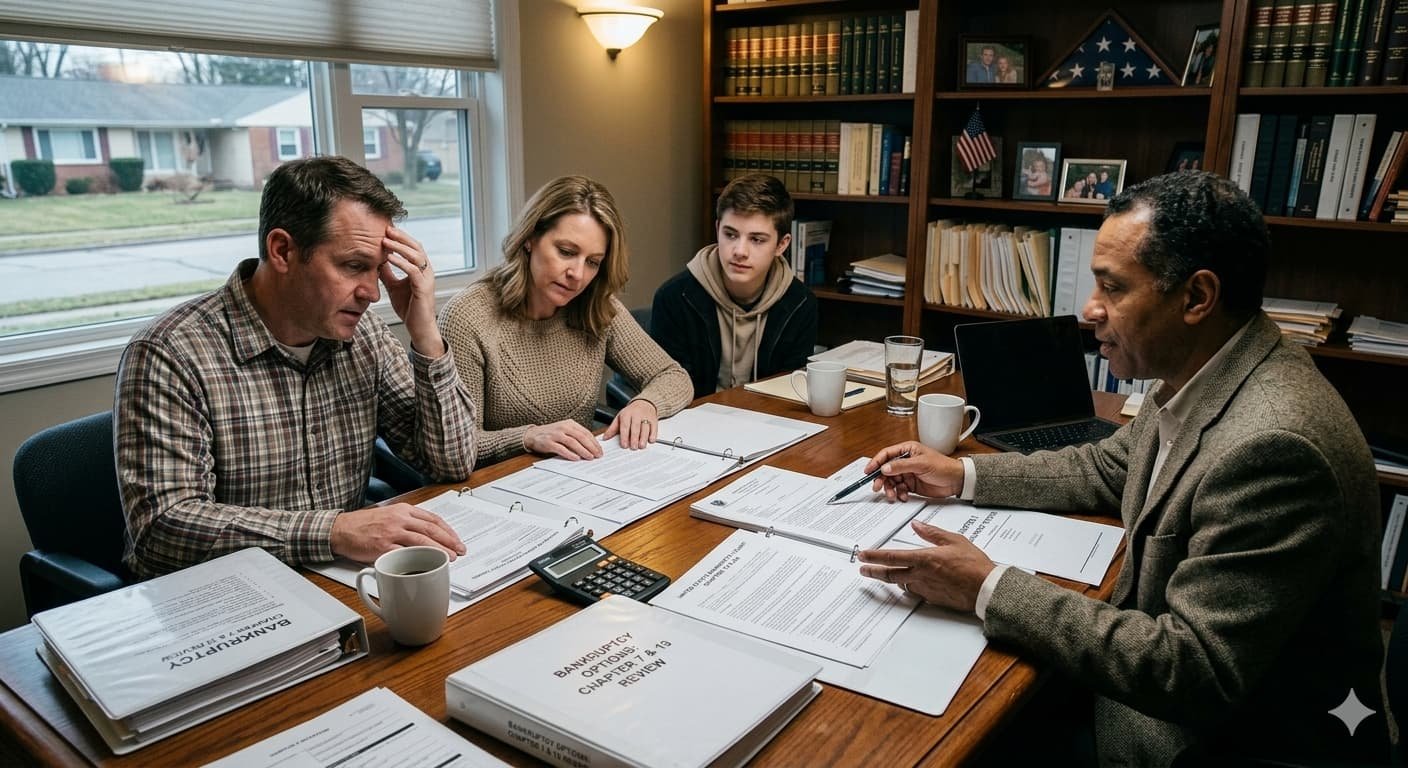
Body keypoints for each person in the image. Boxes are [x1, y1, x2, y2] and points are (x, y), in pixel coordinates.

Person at [855, 171, 1385, 765]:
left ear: (1197, 297)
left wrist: (987, 587)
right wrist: (962, 476)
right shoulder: (1209, 365)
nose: (1090, 310)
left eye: (1113, 288)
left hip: (1231, 742)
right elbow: (1114, 464)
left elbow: (1192, 669)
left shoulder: (1275, 447)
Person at [117, 156, 478, 579]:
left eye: (379, 269)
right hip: (222, 600)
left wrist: (426, 336)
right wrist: (334, 531)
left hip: (342, 582)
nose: (372, 293)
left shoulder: (366, 338)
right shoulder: (170, 353)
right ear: (283, 250)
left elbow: (451, 464)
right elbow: (162, 530)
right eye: (353, 266)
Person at [439, 175, 692, 463]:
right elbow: (456, 448)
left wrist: (648, 403)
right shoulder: (467, 317)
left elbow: (673, 376)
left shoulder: (596, 307)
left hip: (579, 477)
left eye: (593, 262)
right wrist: (528, 437)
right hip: (499, 485)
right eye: (566, 252)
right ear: (530, 239)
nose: (578, 274)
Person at [651, 173, 818, 400]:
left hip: (769, 425)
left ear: (782, 244)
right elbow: (669, 391)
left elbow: (791, 392)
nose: (740, 251)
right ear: (717, 228)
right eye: (730, 234)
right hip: (694, 424)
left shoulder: (801, 303)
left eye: (756, 239)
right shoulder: (674, 298)